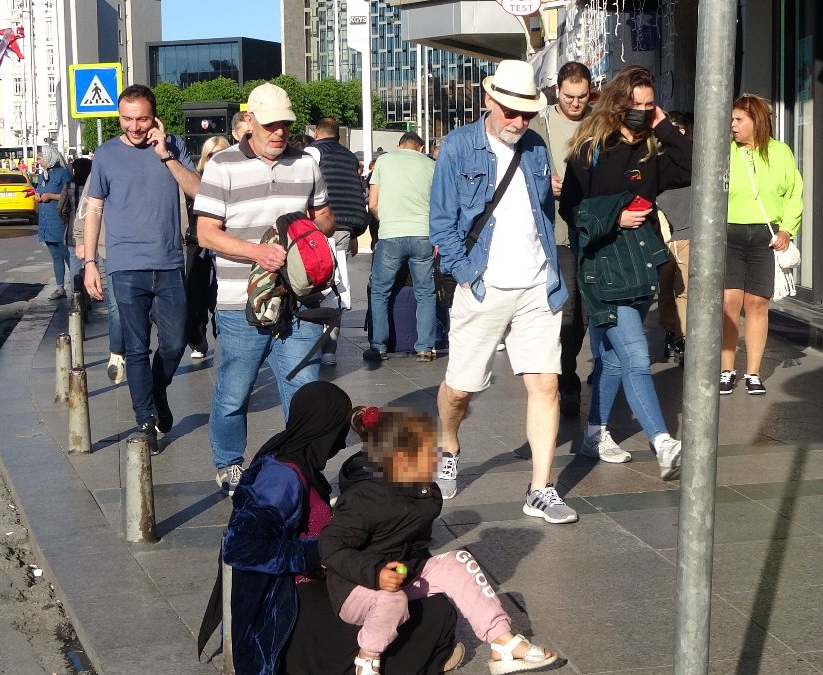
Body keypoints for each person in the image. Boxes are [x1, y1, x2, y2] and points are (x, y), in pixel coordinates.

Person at [221, 382, 462, 675]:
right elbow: (241, 548)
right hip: (290, 600)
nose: (338, 442)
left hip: (327, 578)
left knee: (426, 601)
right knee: (428, 614)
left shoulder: (298, 461)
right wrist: (322, 551)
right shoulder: (280, 478)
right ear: (323, 428)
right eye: (338, 430)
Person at [428, 59, 575, 524]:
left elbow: (540, 209)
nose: (518, 122)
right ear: (489, 100)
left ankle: (540, 488)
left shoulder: (534, 146)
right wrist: (467, 274)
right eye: (511, 111)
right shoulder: (457, 147)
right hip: (484, 283)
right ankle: (449, 444)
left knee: (546, 384)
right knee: (460, 392)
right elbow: (442, 223)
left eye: (527, 113)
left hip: (537, 283)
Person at [320, 405, 561, 675]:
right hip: (355, 587)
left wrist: (414, 567)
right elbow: (330, 547)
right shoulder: (363, 500)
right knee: (393, 600)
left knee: (460, 560)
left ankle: (501, 641)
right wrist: (376, 573)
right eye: (426, 454)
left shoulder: (426, 492)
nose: (436, 459)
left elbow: (416, 542)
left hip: (404, 572)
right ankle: (367, 660)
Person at [193, 82, 335, 496]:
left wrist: (302, 231)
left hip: (300, 300)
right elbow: (204, 233)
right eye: (270, 124)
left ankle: (302, 469)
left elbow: (325, 217)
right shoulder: (223, 164)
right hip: (241, 304)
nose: (279, 133)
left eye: (285, 125)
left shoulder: (307, 163)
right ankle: (229, 464)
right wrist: (257, 251)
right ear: (249, 121)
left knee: (304, 391)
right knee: (234, 392)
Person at [559, 65, 691, 479]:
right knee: (635, 354)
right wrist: (617, 217)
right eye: (635, 105)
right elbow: (572, 210)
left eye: (649, 105)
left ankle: (595, 432)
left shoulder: (653, 147)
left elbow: (694, 166)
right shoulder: (593, 148)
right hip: (602, 264)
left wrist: (665, 126)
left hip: (640, 262)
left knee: (614, 359)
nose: (641, 111)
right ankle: (663, 442)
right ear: (617, 104)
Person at [82, 84, 202, 455]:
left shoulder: (174, 147)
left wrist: (166, 156)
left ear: (155, 117)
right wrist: (89, 262)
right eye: (127, 119)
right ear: (119, 117)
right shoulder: (105, 155)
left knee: (175, 343)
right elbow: (94, 209)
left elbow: (198, 190)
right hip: (125, 266)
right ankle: (145, 420)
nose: (134, 127)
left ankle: (154, 391)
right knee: (135, 347)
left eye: (142, 119)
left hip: (168, 264)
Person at [723, 93, 803, 395]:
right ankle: (726, 369)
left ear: (756, 121)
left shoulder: (780, 152)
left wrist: (788, 230)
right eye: (732, 119)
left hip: (766, 238)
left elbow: (794, 192)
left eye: (738, 119)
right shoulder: (726, 152)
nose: (732, 125)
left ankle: (752, 373)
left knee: (757, 303)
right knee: (730, 302)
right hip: (729, 234)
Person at [527, 61, 595, 417]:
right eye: (569, 96)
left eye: (582, 96)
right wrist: (545, 184)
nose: (575, 103)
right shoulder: (539, 126)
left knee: (587, 310)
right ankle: (566, 378)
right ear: (557, 91)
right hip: (557, 232)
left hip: (594, 229)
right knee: (567, 310)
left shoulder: (599, 122)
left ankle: (573, 369)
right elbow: (522, 173)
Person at [365, 131, 438, 362]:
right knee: (425, 292)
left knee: (380, 292)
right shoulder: (431, 165)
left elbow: (373, 203)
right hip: (423, 235)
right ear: (420, 147)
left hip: (391, 235)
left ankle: (379, 346)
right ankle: (425, 347)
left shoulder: (384, 161)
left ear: (399, 145)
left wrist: (385, 219)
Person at [306, 117, 368, 367]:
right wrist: (355, 232)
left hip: (317, 225)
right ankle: (330, 348)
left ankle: (312, 342)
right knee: (336, 283)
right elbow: (354, 192)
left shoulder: (312, 152)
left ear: (317, 133)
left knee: (312, 282)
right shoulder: (349, 157)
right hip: (344, 227)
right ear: (338, 135)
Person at [72, 174, 125, 384]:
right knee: (115, 305)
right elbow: (88, 203)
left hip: (146, 250)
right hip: (110, 248)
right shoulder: (107, 160)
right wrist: (80, 238)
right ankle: (118, 352)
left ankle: (137, 352)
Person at [186, 135, 229, 360]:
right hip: (196, 243)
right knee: (196, 295)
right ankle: (198, 342)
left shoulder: (233, 178)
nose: (216, 158)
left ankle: (221, 335)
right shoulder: (196, 180)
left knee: (219, 296)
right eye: (212, 154)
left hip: (224, 243)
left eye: (221, 153)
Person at [656, 112, 694, 364]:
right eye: (671, 129)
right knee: (665, 288)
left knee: (685, 290)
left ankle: (683, 337)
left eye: (679, 129)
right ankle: (671, 330)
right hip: (662, 232)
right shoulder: (655, 158)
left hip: (687, 232)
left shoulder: (692, 157)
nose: (676, 133)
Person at [34, 144, 74, 300]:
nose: (38, 161)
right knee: (55, 256)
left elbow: (68, 195)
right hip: (45, 222)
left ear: (49, 157)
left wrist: (51, 196)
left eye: (40, 158)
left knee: (67, 256)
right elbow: (39, 191)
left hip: (59, 221)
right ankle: (59, 288)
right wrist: (38, 196)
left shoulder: (63, 174)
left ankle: (77, 288)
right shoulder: (42, 175)